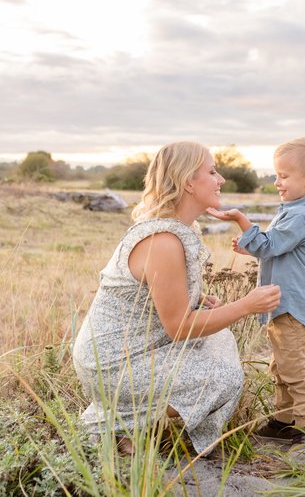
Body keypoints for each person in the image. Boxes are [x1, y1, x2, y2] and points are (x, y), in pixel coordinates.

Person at [72, 141, 281, 455]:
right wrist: (246, 305)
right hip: (111, 364)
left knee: (219, 340)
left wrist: (197, 299)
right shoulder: (163, 241)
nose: (221, 179)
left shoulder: (178, 230)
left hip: (135, 350)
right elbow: (179, 328)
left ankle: (126, 423)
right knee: (222, 377)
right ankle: (112, 427)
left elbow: (160, 302)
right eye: (211, 171)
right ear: (187, 182)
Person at [207, 135, 305, 445]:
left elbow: (272, 244)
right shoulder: (290, 210)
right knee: (281, 365)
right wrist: (253, 249)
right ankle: (284, 418)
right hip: (281, 304)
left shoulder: (303, 215)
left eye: (284, 176)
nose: (277, 182)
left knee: (294, 368)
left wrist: (240, 220)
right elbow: (277, 251)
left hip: (294, 306)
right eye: (277, 175)